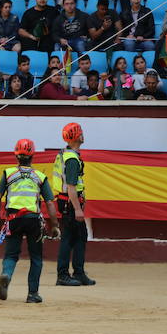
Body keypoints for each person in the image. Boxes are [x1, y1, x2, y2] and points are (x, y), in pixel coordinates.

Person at [0, 138, 60, 304]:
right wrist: (55, 225)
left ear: (16, 155)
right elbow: (50, 203)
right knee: (36, 257)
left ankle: (7, 274)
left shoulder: (8, 174)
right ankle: (33, 294)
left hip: (13, 219)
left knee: (11, 255)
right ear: (33, 155)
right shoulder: (40, 176)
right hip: (33, 221)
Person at [52, 122, 94, 286]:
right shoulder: (72, 160)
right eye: (81, 132)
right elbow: (71, 187)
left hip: (66, 202)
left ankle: (78, 272)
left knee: (78, 237)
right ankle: (64, 275)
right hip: (70, 203)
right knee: (70, 238)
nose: (83, 134)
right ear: (76, 136)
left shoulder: (66, 154)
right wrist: (77, 209)